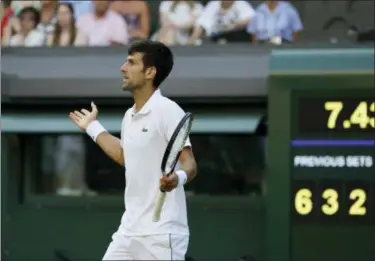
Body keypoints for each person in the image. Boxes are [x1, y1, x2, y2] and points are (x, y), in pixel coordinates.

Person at [69, 40, 198, 260]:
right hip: (129, 229)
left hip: (161, 232)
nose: (123, 68)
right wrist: (92, 127)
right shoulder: (129, 116)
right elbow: (123, 156)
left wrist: (178, 178)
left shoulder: (167, 110)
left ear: (150, 72)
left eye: (131, 63)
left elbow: (190, 164)